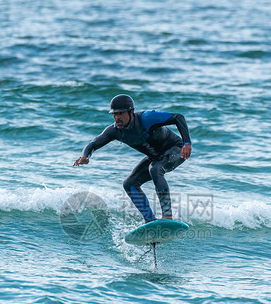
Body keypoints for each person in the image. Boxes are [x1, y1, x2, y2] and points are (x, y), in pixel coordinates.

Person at [73, 94, 192, 222]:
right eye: (114, 114)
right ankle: (150, 221)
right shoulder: (114, 131)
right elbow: (93, 144)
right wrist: (85, 156)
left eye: (120, 114)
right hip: (155, 157)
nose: (117, 117)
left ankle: (167, 216)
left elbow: (178, 117)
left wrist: (187, 143)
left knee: (155, 169)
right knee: (129, 184)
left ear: (131, 112)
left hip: (176, 149)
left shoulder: (146, 118)